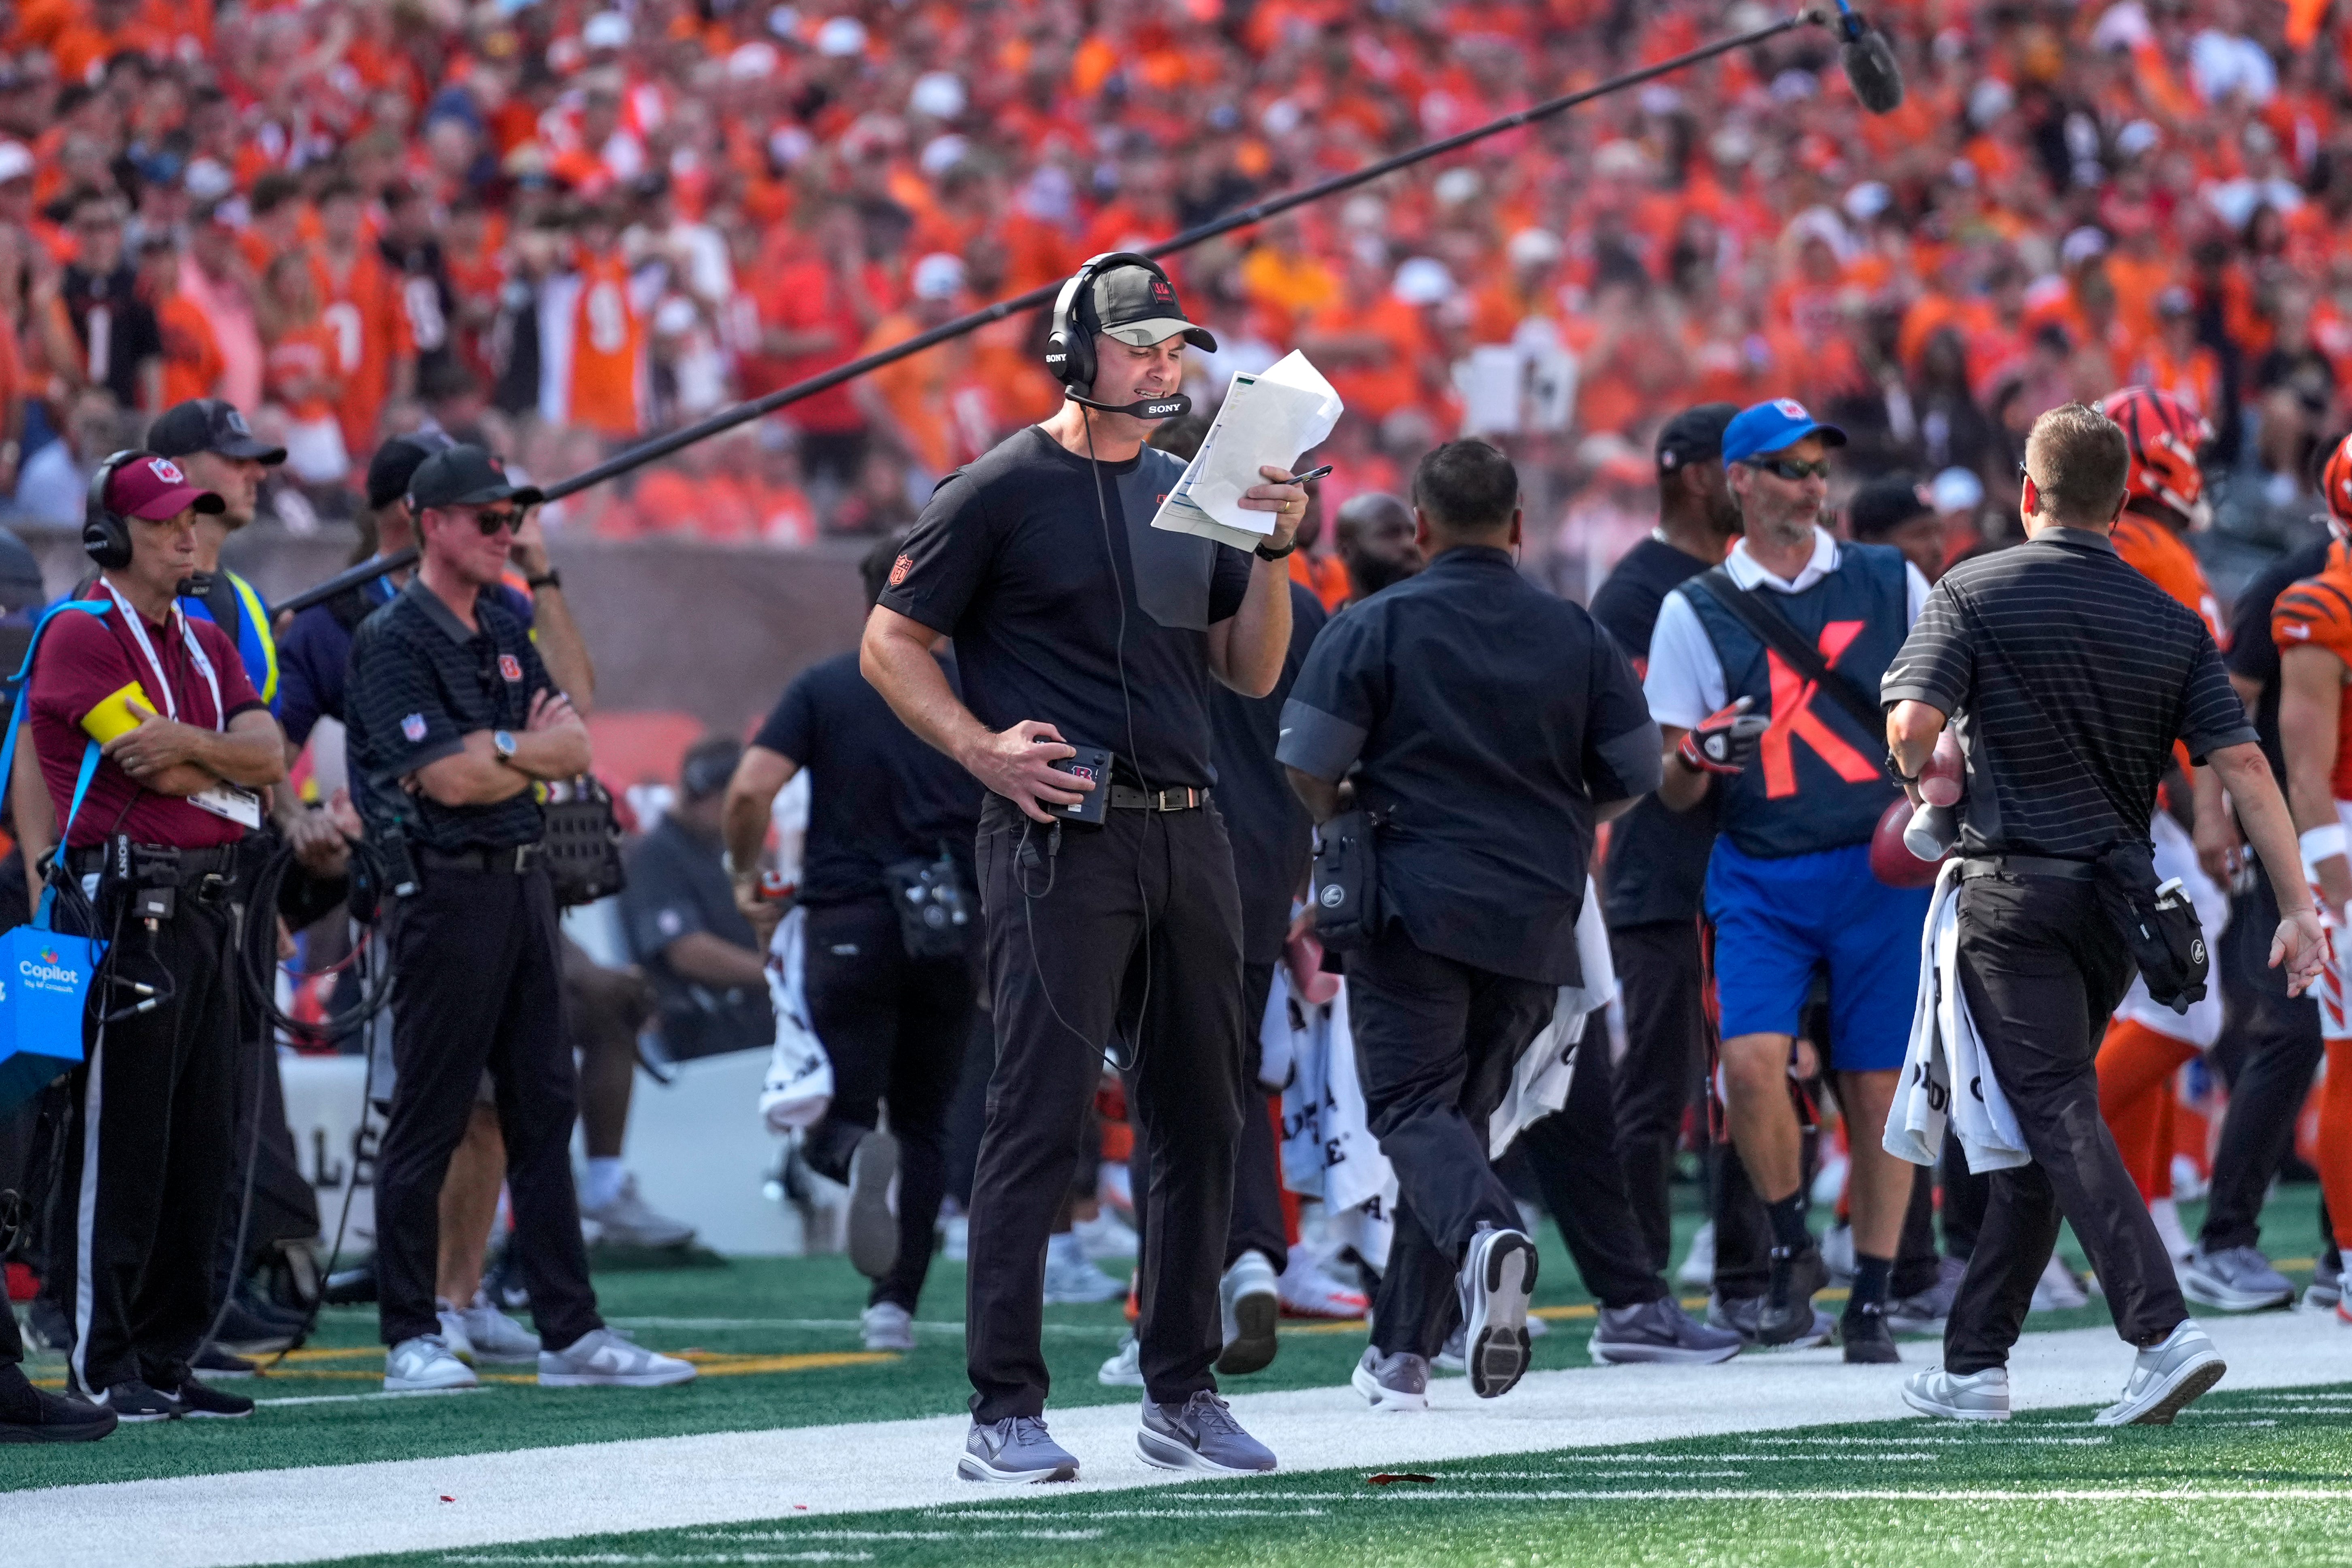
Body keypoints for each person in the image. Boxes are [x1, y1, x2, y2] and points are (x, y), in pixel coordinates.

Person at [864, 254, 1304, 1482]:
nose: (1166, 365)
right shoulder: (998, 488)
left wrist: (1272, 554)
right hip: (1061, 833)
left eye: (1177, 347)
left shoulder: (1192, 488)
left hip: (1190, 823)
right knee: (1038, 1116)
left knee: (1202, 1114)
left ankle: (1182, 1387)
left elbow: (1251, 672)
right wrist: (979, 747)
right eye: (1142, 344)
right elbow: (889, 642)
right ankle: (1002, 1407)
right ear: (1074, 356)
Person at [1886, 402, 2326, 1425]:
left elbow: (1910, 726)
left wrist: (1923, 781)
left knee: (2051, 1111)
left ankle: (2158, 1328)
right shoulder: (2167, 617)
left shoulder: (1970, 587)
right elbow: (2245, 766)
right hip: (2113, 906)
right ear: (2122, 503)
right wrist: (2295, 906)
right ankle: (1971, 1364)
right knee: (2050, 1115)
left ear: (2026, 495)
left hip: (2006, 889)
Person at [1279, 439, 1663, 1411]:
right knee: (1457, 1129)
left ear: (1417, 528)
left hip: (1409, 900)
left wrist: (1342, 816)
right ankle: (1400, 1353)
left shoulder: (1373, 624)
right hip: (1537, 911)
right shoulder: (1573, 632)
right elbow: (1634, 775)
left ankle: (1489, 1235)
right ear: (1519, 524)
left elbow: (1307, 763)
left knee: (1411, 1113)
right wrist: (1562, 820)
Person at [343, 443, 694, 1395]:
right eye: (490, 520)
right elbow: (451, 778)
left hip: (524, 882)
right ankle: (411, 1332)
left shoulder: (504, 617)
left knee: (544, 1105)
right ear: (433, 523)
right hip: (443, 887)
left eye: (513, 519)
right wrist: (526, 748)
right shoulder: (393, 636)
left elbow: (573, 722)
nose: (507, 533)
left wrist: (522, 745)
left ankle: (569, 1333)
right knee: (432, 1113)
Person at [1643, 398, 1932, 1363]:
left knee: (1879, 1080)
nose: (1809, 487)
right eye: (1786, 469)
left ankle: (1876, 1295)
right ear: (1737, 481)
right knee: (1748, 1062)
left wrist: (1944, 774)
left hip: (1877, 864)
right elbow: (1671, 786)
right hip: (1759, 866)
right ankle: (1787, 1248)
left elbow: (1954, 710)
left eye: (1816, 470)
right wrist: (1700, 755)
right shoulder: (1692, 607)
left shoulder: (1892, 578)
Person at [18, 452, 287, 1420]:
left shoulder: (208, 639)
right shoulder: (81, 633)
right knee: (122, 1143)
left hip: (212, 905)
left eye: (196, 517)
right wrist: (220, 760)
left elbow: (269, 758)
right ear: (111, 534)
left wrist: (194, 746)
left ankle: (166, 1355)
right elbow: (168, 778)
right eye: (169, 518)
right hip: (130, 911)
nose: (190, 532)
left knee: (201, 1146)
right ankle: (104, 1359)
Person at [724, 537, 984, 1353]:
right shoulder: (976, 683)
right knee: (928, 1123)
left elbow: (750, 788)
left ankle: (851, 1153)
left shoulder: (828, 684)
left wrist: (746, 874)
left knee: (835, 1112)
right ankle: (893, 1308)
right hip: (953, 921)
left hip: (848, 920)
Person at [1555, 400, 1752, 1366]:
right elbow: (1646, 737)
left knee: (1755, 1070)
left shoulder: (1734, 573)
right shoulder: (1639, 591)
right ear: (1693, 474)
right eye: (1740, 465)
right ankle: (1632, 1296)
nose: (1754, 482)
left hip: (1750, 850)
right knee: (1660, 1086)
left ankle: (1751, 1277)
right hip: (1657, 856)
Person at [2087, 386, 2241, 1274]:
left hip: (2068, 806)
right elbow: (2207, 707)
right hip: (2120, 816)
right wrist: (2214, 812)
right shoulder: (2157, 551)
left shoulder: (2088, 546)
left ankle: (2146, 1216)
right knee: (2190, 1006)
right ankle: (2040, 1153)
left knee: (2147, 998)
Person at [2200, 433, 2343, 1312]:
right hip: (2302, 830)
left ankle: (2341, 1245)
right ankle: (2226, 1235)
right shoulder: (2300, 582)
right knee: (2294, 1033)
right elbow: (2231, 698)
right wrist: (2218, 813)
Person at [2260, 479, 2352, 1327]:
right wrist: (2336, 881)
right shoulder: (2320, 606)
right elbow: (2308, 774)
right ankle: (2351, 1262)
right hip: (2345, 835)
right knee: (2349, 1055)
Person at [1331, 491, 1421, 601]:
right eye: (1391, 534)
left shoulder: (1442, 614)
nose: (1410, 545)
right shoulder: (1334, 619)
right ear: (1346, 551)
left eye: (1414, 532)